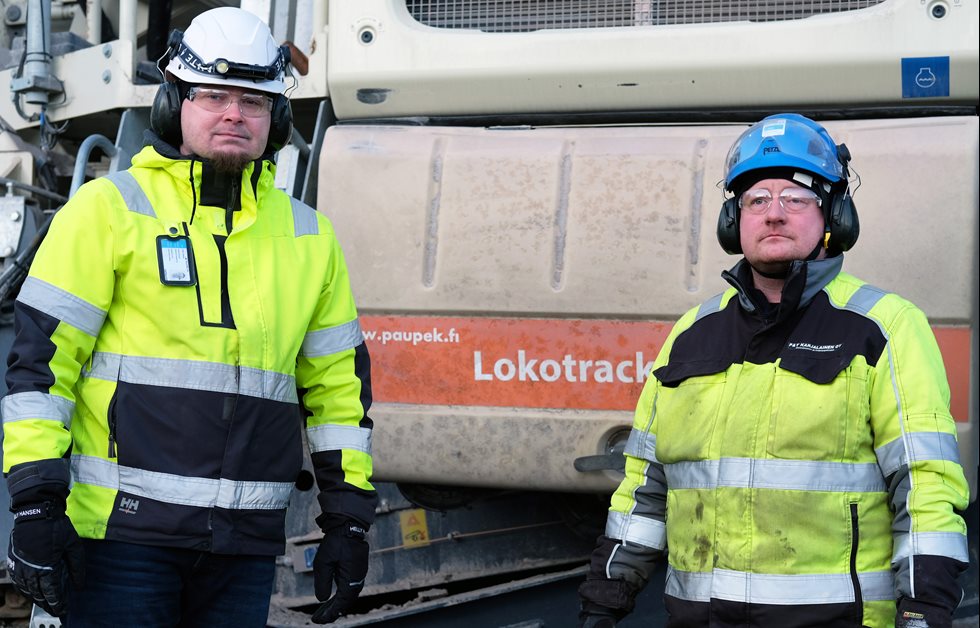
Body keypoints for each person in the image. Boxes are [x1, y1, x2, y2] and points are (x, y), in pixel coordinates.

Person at [1, 7, 375, 626]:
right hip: (121, 544)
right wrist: (36, 505)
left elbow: (339, 395)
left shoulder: (311, 238)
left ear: (276, 118)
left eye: (254, 101)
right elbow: (41, 373)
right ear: (175, 106)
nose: (235, 113)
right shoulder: (108, 212)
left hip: (243, 551)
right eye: (213, 96)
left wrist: (349, 522)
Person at [577, 113, 969, 628]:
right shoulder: (691, 333)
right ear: (733, 222)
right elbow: (646, 487)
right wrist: (604, 600)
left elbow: (925, 485)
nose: (774, 213)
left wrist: (923, 608)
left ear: (835, 215)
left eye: (796, 197)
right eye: (756, 199)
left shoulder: (884, 327)